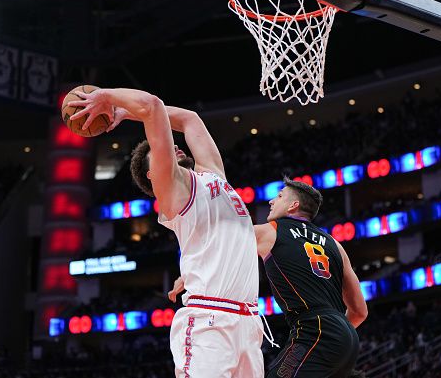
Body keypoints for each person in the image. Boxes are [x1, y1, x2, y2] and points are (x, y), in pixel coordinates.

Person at [68, 88, 263, 377]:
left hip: (248, 323)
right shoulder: (173, 191)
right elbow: (153, 106)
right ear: (153, 174)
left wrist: (123, 113)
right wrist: (108, 97)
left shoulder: (213, 175)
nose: (174, 147)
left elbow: (190, 120)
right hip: (209, 323)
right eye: (162, 150)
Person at [254, 177, 368, 378]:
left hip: (314, 328)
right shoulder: (335, 244)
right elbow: (359, 311)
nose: (271, 201)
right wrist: (336, 332)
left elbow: (224, 243)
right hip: (347, 337)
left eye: (279, 196)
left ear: (293, 205)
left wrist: (189, 275)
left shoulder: (270, 231)